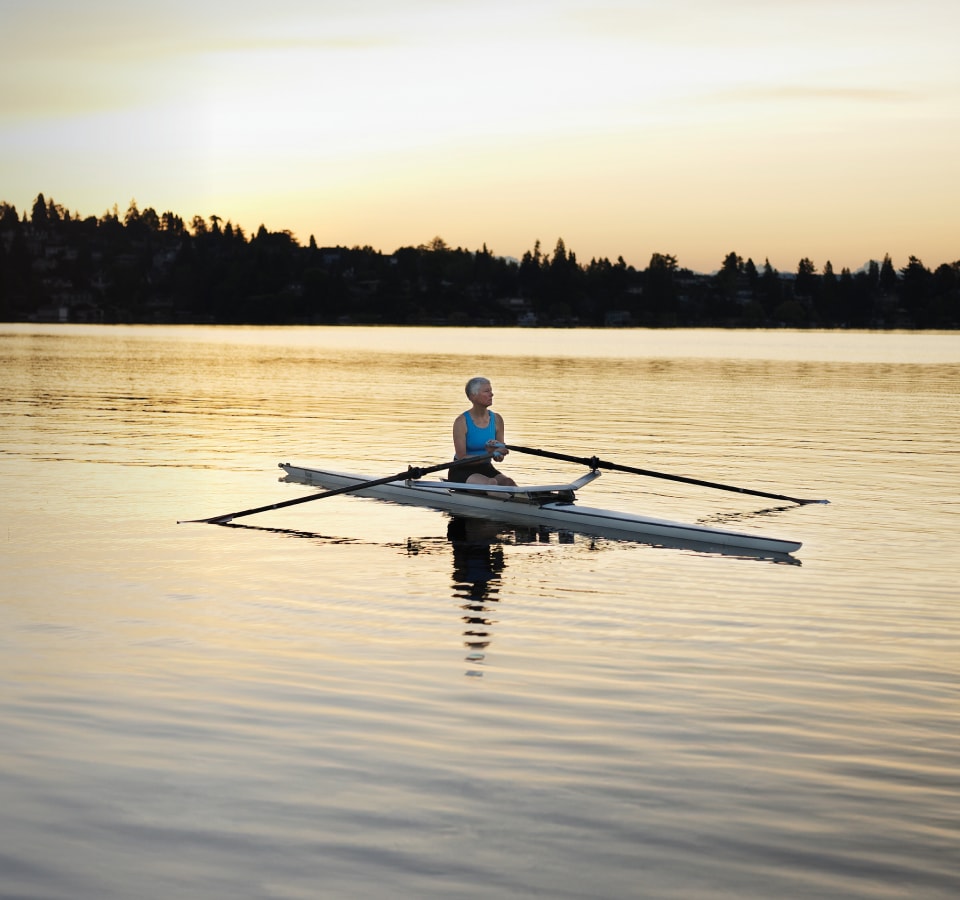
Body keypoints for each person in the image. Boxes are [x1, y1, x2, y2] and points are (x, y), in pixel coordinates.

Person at [450, 377, 517, 486]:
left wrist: (499, 453)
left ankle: (526, 501)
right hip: (462, 470)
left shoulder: (497, 419)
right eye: (486, 391)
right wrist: (490, 453)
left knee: (508, 482)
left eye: (491, 390)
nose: (492, 394)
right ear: (473, 396)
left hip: (485, 468)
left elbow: (499, 458)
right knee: (491, 483)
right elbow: (461, 457)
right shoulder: (461, 422)